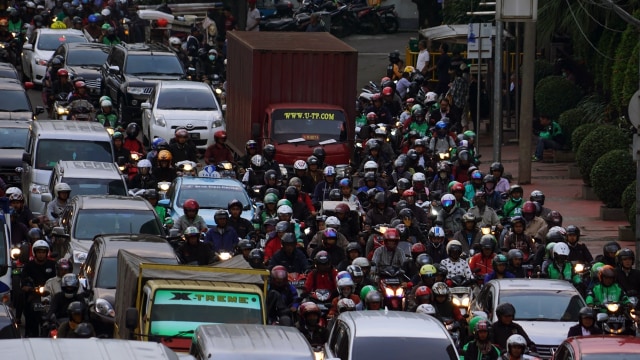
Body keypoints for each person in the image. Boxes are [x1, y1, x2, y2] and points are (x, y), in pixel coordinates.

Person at [21, 240, 56, 337]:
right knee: (30, 310)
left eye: (43, 252)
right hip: (34, 295)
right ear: (34, 253)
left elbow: (58, 278)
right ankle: (30, 333)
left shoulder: (52, 265)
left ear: (47, 253)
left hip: (50, 294)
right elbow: (23, 282)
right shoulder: (29, 266)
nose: (41, 254)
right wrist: (28, 288)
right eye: (39, 252)